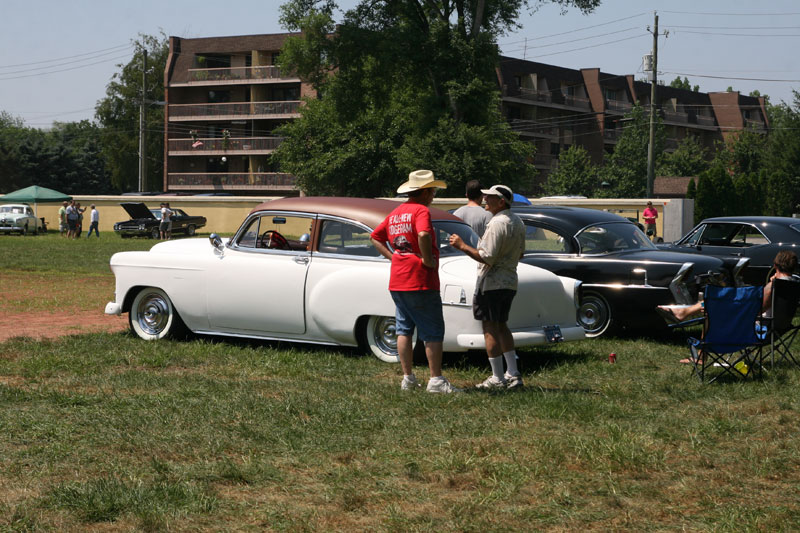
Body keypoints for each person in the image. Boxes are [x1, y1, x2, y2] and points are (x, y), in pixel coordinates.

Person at [370, 169, 460, 393]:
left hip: (398, 280)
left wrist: (394, 257)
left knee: (403, 329)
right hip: (420, 280)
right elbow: (423, 235)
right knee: (432, 331)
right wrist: (427, 260)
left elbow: (375, 236)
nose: (433, 196)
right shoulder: (421, 211)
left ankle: (408, 378)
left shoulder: (397, 212)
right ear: (425, 191)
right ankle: (436, 380)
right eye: (432, 191)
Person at [449, 184, 526, 389]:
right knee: (501, 325)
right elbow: (521, 254)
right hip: (509, 281)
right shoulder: (517, 221)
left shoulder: (497, 223)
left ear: (501, 202)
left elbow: (486, 257)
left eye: (490, 198)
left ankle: (497, 377)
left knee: (490, 328)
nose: (485, 200)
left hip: (491, 283)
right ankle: (513, 373)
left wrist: (462, 245)